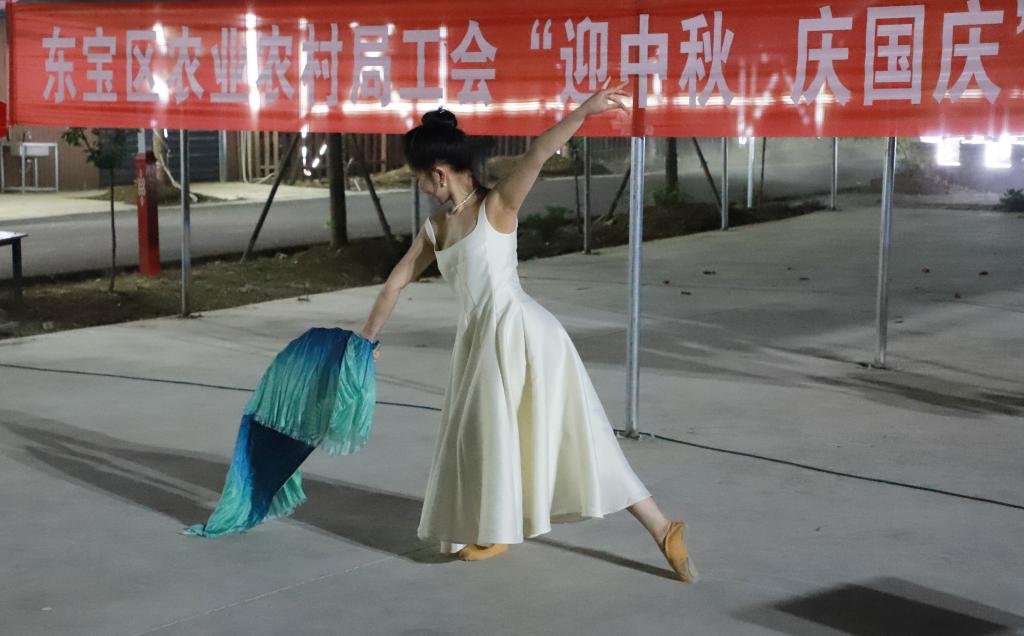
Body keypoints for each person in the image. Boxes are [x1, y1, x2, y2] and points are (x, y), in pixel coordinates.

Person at [359, 80, 696, 582]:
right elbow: (396, 281)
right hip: (482, 341)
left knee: (574, 438)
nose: (420, 188)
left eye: (419, 179)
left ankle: (656, 528)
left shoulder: (498, 206)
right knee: (489, 437)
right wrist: (365, 341)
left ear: (438, 173)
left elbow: (538, 151)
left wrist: (585, 110)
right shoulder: (437, 228)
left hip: (523, 336)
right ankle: (659, 528)